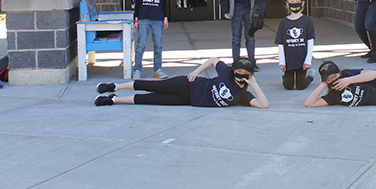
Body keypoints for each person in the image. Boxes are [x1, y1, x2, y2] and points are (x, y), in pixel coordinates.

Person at [94, 57, 269, 108]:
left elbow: (264, 105)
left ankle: (113, 99)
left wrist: (254, 84)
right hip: (188, 84)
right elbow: (214, 59)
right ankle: (114, 86)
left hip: (188, 100)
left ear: (250, 74)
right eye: (237, 71)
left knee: (150, 99)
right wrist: (195, 71)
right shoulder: (226, 73)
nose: (239, 75)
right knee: (151, 86)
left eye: (244, 74)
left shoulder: (242, 95)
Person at [132, 0, 169, 80]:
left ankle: (158, 69)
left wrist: (166, 17)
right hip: (143, 18)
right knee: (141, 44)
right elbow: (137, 2)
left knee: (158, 44)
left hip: (158, 19)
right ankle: (137, 69)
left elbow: (165, 2)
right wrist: (135, 19)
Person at [276, 0, 315, 90]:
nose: (295, 3)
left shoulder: (307, 21)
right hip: (289, 60)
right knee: (288, 86)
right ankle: (285, 75)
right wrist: (282, 62)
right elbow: (280, 44)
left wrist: (308, 61)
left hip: (301, 61)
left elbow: (310, 41)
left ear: (302, 3)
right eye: (292, 1)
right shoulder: (284, 22)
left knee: (300, 86)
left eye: (297, 1)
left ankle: (310, 76)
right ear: (287, 4)